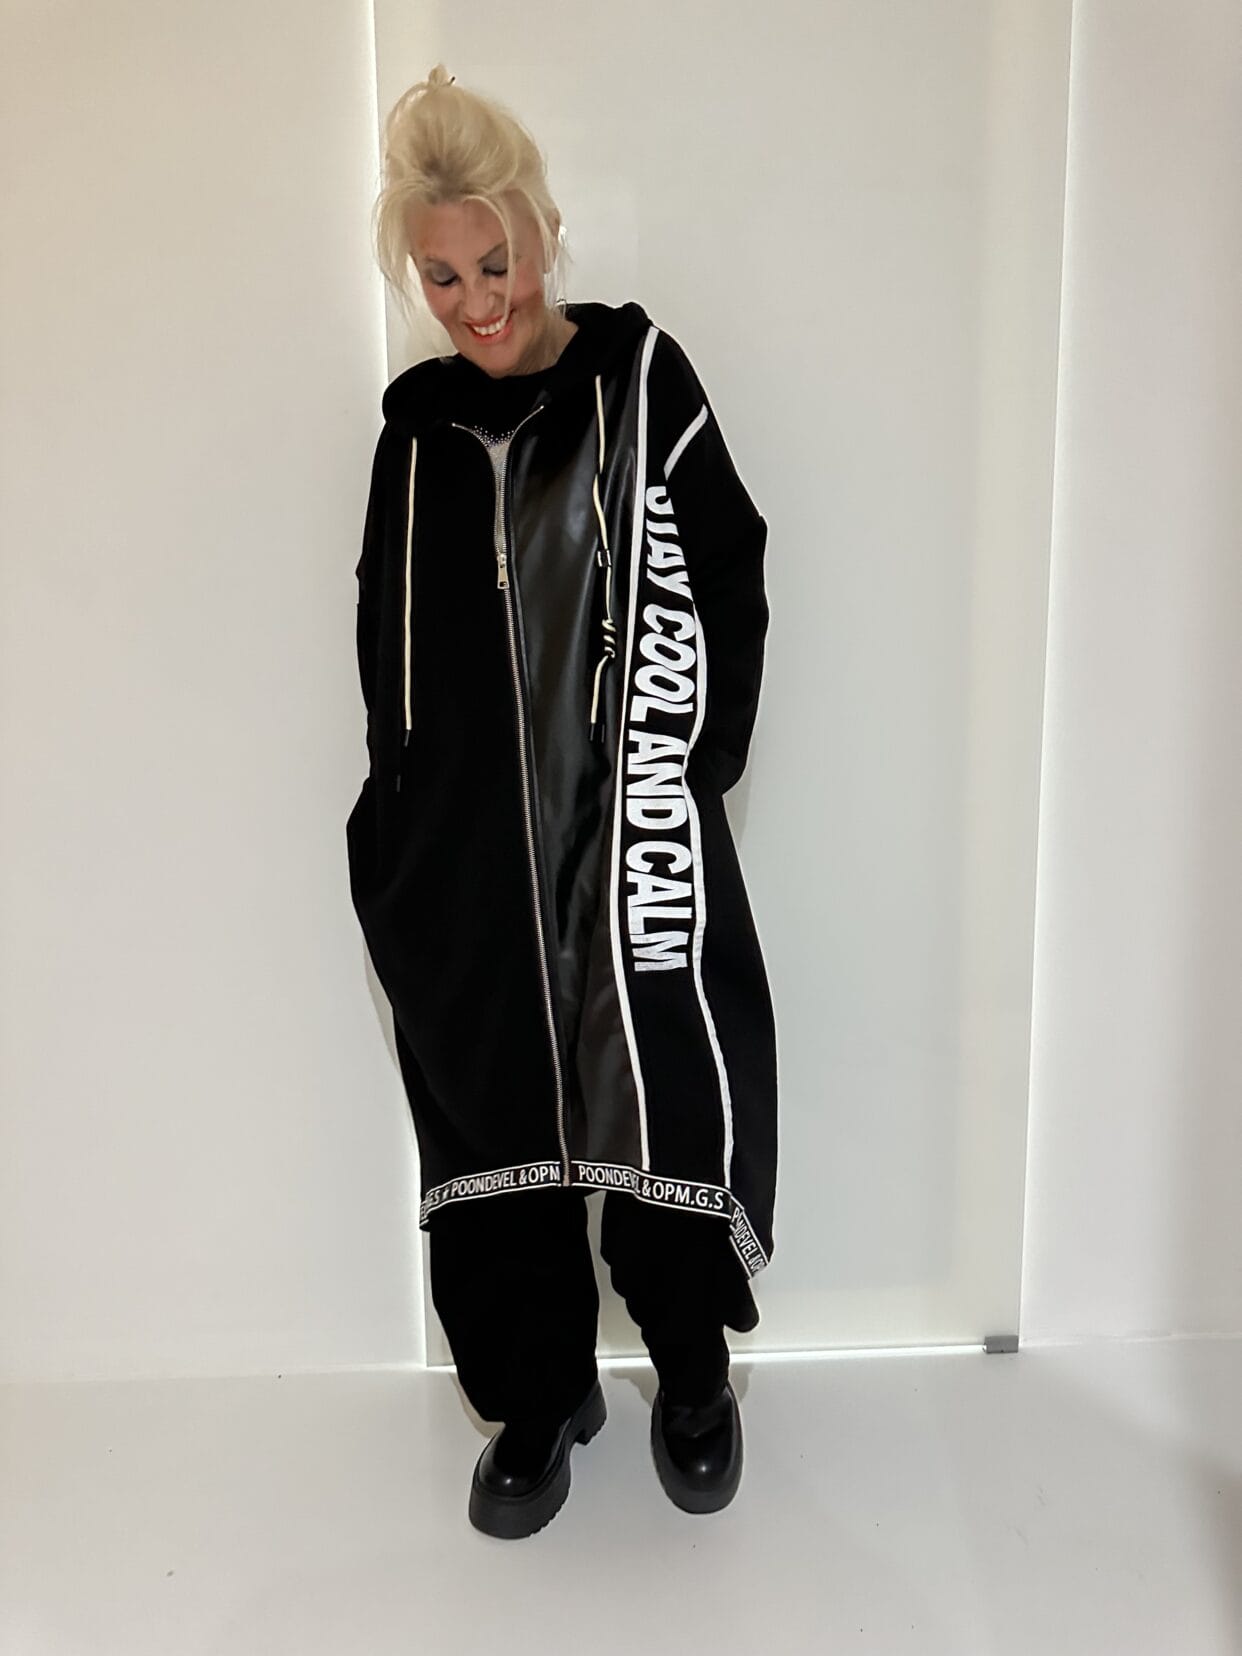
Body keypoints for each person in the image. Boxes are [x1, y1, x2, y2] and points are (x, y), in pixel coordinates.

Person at [346, 63, 778, 1539]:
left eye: (496, 262)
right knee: (492, 1140)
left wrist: (691, 767)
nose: (476, 302)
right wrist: (397, 819)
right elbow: (386, 640)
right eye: (441, 275)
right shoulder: (414, 435)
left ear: (540, 235)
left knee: (657, 1117)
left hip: (627, 848)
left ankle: (691, 1374)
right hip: (466, 871)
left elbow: (728, 570)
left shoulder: (641, 386)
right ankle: (537, 1400)